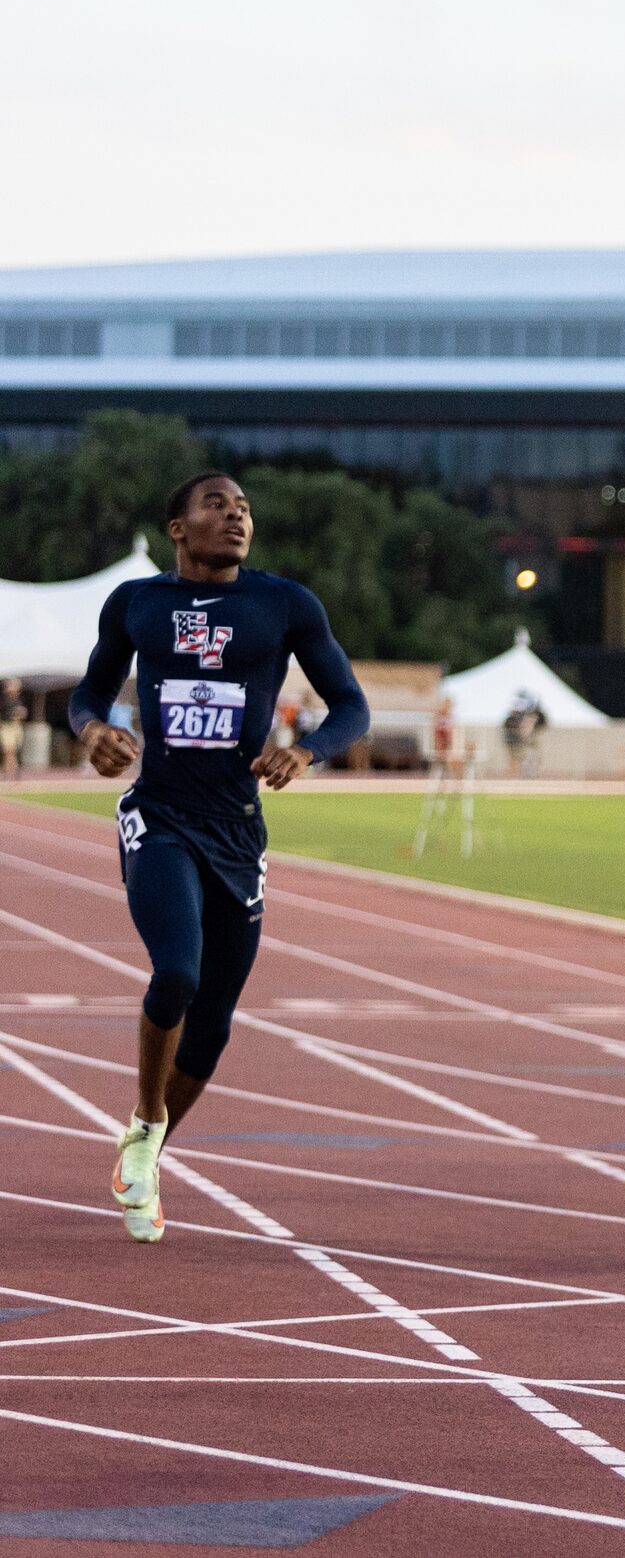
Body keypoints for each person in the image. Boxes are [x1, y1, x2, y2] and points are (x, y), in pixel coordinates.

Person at [66, 473, 371, 1244]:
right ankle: (144, 1128)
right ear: (178, 526)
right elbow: (88, 694)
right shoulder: (137, 602)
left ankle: (148, 1143)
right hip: (159, 814)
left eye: (244, 509)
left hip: (237, 830)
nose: (236, 517)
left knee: (214, 1027)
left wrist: (308, 751)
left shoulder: (286, 604)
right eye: (217, 505)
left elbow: (352, 705)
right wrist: (93, 732)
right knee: (178, 971)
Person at [0, 677, 28, 778]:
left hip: (16, 726)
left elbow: (22, 715)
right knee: (8, 750)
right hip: (6, 726)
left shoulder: (18, 700)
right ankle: (11, 771)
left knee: (14, 751)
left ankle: (11, 771)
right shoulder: (3, 700)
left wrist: (20, 714)